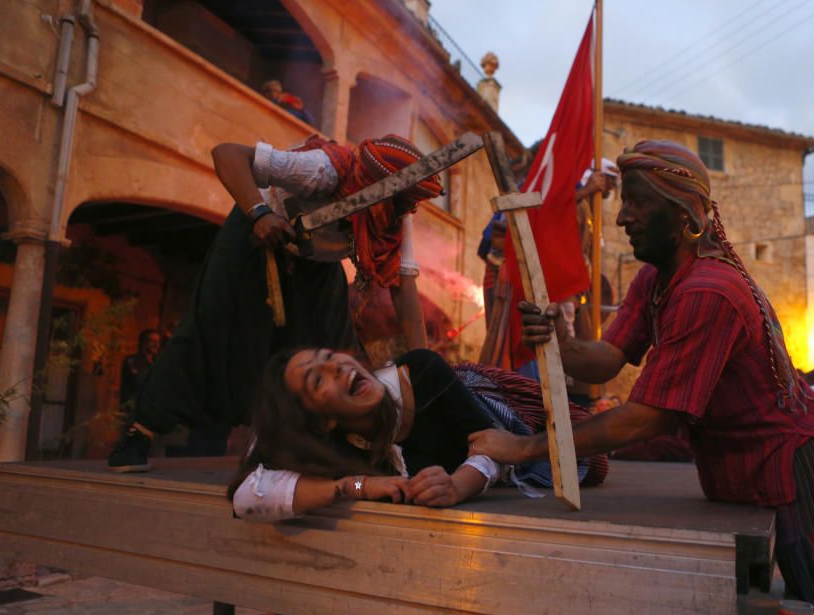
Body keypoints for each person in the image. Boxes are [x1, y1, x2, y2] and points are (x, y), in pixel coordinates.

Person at [469, 140, 814, 615]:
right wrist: (559, 340)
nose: (623, 216)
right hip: (754, 471)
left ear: (684, 214)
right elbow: (606, 359)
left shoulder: (708, 291)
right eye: (623, 201)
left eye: (637, 203)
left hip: (804, 466)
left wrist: (522, 447)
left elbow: (649, 417)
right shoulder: (656, 278)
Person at [106, 134, 442, 472]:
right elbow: (227, 151)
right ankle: (139, 433)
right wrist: (260, 213)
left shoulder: (395, 214)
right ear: (379, 184)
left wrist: (423, 368)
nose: (406, 210)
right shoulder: (323, 169)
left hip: (316, 266)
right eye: (402, 202)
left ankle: (348, 452)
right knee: (213, 336)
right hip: (254, 238)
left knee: (336, 350)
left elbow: (404, 290)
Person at [228, 347, 607, 520]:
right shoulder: (322, 442)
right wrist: (354, 485)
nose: (338, 368)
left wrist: (457, 486)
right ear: (321, 422)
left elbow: (489, 446)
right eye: (318, 379)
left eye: (330, 358)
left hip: (488, 407)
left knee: (592, 463)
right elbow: (246, 496)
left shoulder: (421, 371)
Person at [119, 328, 161, 409]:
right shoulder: (132, 361)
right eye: (152, 341)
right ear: (143, 342)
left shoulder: (159, 363)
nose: (156, 345)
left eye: (158, 341)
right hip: (134, 409)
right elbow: (136, 384)